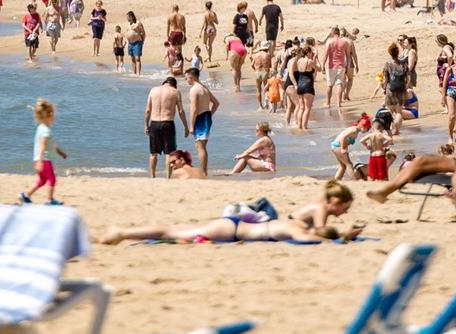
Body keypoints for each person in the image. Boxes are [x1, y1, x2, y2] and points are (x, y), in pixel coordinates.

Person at [100, 182, 362, 244]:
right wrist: (343, 238)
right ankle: (122, 233)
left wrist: (341, 236)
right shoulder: (298, 230)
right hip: (231, 229)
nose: (343, 215)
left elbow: (318, 236)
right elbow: (317, 239)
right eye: (345, 209)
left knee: (175, 230)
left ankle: (124, 233)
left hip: (235, 227)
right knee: (172, 231)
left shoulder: (296, 227)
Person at [18, 100, 66, 205]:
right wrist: (40, 161)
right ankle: (50, 200)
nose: (55, 118)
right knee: (52, 179)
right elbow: (42, 146)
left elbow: (51, 145)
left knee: (42, 180)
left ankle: (26, 194)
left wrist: (60, 152)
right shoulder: (46, 131)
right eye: (54, 115)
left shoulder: (41, 128)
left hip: (38, 159)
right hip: (44, 160)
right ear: (49, 116)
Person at [144, 75, 183, 177]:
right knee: (169, 153)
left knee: (153, 153)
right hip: (168, 123)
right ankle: (168, 177)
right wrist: (186, 126)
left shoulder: (153, 90)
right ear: (174, 85)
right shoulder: (175, 92)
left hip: (154, 123)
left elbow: (148, 110)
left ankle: (152, 176)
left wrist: (146, 125)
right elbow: (181, 111)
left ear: (164, 82)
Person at [187, 66, 219, 175]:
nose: (186, 80)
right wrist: (210, 114)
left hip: (200, 118)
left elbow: (194, 108)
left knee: (200, 147)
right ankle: (203, 170)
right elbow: (216, 103)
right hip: (206, 117)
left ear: (192, 77)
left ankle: (203, 172)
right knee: (202, 146)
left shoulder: (194, 89)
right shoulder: (204, 88)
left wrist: (191, 125)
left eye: (187, 78)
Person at [380, 43, 413, 135]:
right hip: (401, 89)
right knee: (399, 112)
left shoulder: (387, 65)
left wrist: (384, 88)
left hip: (390, 89)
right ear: (398, 52)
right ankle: (397, 130)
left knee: (389, 110)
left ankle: (390, 128)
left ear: (390, 53)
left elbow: (385, 79)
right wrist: (406, 86)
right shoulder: (403, 64)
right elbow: (408, 78)